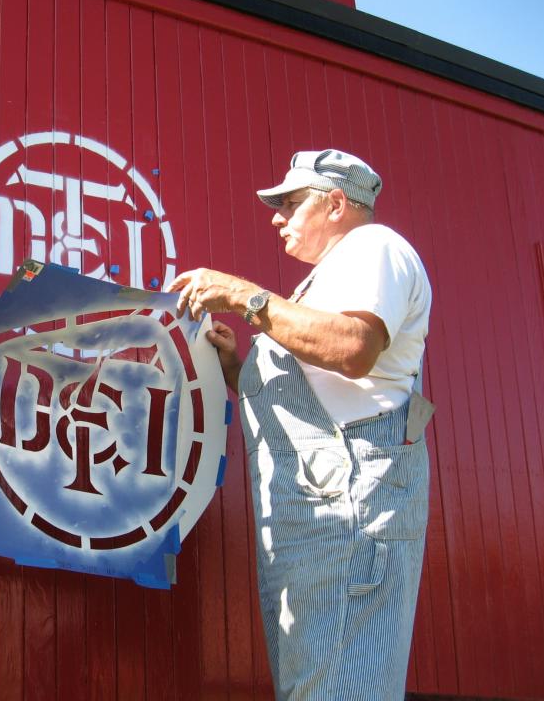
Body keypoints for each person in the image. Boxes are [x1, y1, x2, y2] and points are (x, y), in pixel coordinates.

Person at [167, 149, 432, 700]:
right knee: (315, 687)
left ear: (335, 203)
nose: (275, 216)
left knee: (337, 689)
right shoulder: (324, 283)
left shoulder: (374, 248)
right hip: (313, 520)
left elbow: (355, 349)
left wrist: (243, 295)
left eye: (289, 202)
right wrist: (237, 369)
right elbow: (318, 391)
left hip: (347, 514)